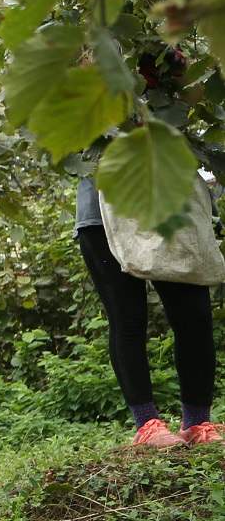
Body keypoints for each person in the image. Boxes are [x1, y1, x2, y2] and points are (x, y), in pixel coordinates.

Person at [76, 166, 220, 450]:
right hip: (102, 214)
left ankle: (196, 423)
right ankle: (147, 424)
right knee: (127, 317)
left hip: (170, 202)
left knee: (195, 315)